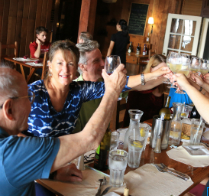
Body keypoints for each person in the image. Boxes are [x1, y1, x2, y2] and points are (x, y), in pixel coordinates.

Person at [0, 64, 126, 196]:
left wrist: (53, 172)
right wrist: (113, 91)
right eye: (29, 97)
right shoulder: (10, 153)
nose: (32, 103)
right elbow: (90, 139)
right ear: (9, 109)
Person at [24, 40, 170, 138]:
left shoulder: (79, 90)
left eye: (70, 63)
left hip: (67, 161)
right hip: (33, 167)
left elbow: (123, 83)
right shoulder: (33, 92)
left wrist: (161, 75)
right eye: (59, 63)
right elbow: (8, 131)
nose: (65, 69)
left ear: (76, 67)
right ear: (49, 65)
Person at [73, 42, 169, 133]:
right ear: (82, 66)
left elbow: (141, 86)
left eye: (102, 58)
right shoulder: (74, 91)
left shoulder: (105, 81)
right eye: (96, 61)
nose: (103, 63)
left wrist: (167, 77)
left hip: (104, 140)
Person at [123, 54, 167, 126]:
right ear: (151, 69)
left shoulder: (161, 86)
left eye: (165, 70)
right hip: (134, 127)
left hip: (151, 127)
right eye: (160, 70)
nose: (163, 73)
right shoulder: (139, 84)